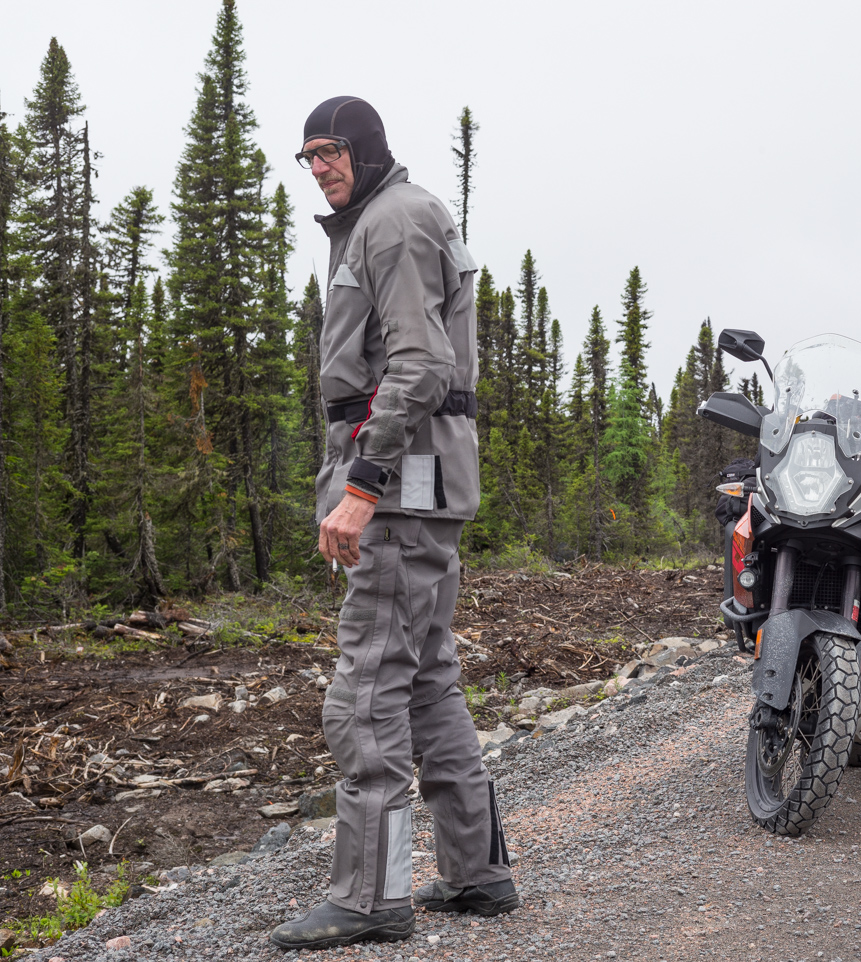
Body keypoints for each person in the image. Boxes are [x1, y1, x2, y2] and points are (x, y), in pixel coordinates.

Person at [270, 96, 518, 952]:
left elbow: (418, 365)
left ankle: (371, 898)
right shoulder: (384, 220)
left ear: (367, 149)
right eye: (307, 157)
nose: (320, 167)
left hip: (402, 489)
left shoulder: (395, 222)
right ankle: (478, 874)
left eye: (331, 151)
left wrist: (363, 486)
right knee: (425, 682)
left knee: (367, 689)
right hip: (417, 485)